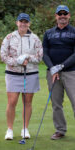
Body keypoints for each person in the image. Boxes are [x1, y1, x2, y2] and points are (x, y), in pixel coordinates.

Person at [0, 13, 43, 140]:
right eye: (21, 21)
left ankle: (25, 129)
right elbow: (3, 55)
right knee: (12, 102)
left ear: (29, 23)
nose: (23, 24)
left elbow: (40, 57)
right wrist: (16, 61)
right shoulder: (9, 37)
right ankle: (10, 130)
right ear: (17, 22)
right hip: (13, 73)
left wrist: (28, 58)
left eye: (26, 22)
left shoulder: (35, 38)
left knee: (27, 102)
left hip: (30, 73)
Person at [43, 5, 75, 140]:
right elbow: (44, 52)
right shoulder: (48, 33)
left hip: (71, 72)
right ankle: (60, 130)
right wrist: (52, 68)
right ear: (56, 16)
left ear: (69, 15)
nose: (62, 16)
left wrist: (60, 66)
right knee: (56, 103)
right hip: (53, 73)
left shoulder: (74, 31)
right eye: (59, 14)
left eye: (65, 14)